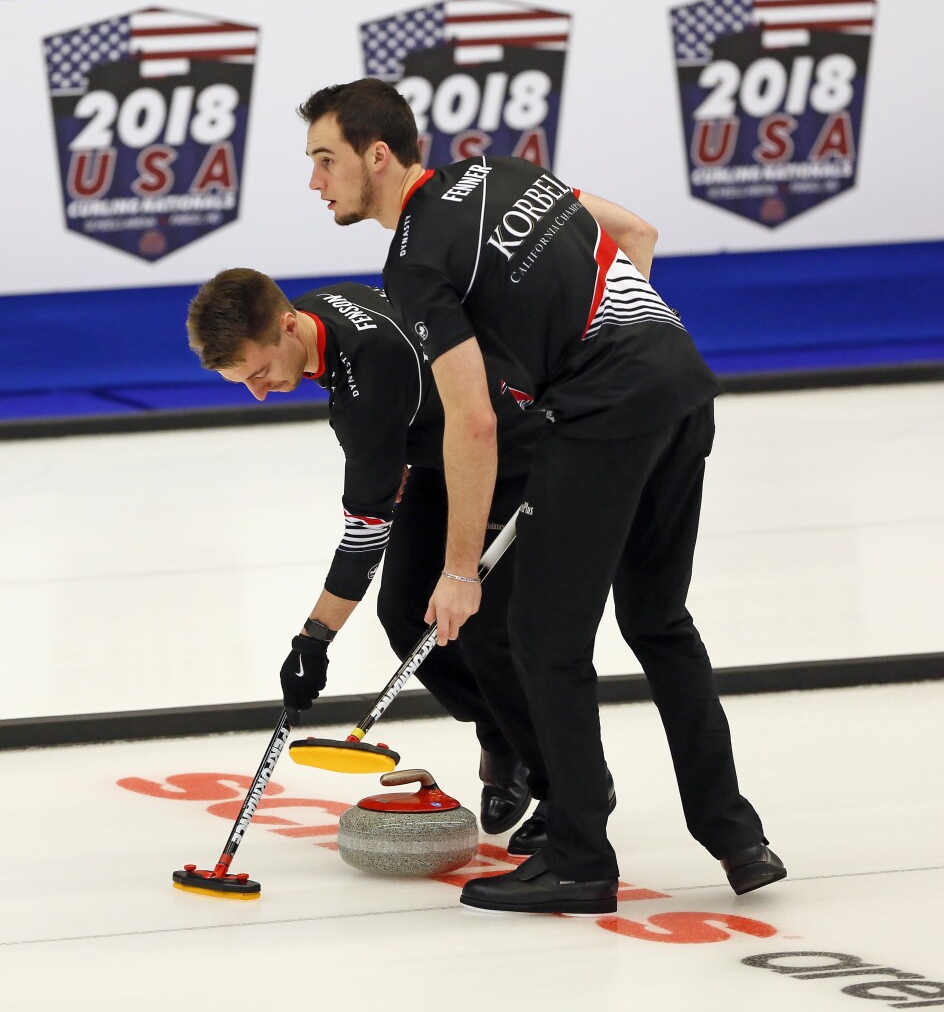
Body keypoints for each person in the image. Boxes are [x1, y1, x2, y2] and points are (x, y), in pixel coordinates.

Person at [295, 78, 786, 915]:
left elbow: (472, 423)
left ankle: (579, 858)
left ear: (377, 156)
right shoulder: (506, 170)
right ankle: (736, 835)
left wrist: (458, 572)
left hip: (605, 410)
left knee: (540, 639)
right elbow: (636, 233)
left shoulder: (414, 261)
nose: (315, 182)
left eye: (325, 160)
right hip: (681, 379)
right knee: (660, 622)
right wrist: (612, 336)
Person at [186, 270, 546, 836]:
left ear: (287, 327)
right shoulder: (310, 311)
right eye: (243, 383)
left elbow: (363, 540)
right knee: (404, 613)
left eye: (259, 373)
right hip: (440, 451)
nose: (259, 391)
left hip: (511, 450)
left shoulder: (368, 390)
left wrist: (313, 640)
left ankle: (565, 785)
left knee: (483, 629)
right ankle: (502, 731)